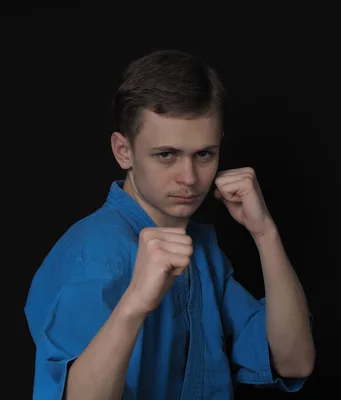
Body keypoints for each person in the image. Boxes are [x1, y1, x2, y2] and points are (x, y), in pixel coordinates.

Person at [24, 49, 315, 399]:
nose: (189, 178)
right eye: (167, 155)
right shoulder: (96, 253)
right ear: (123, 151)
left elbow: (294, 361)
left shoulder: (202, 246)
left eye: (204, 154)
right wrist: (134, 304)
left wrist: (265, 232)